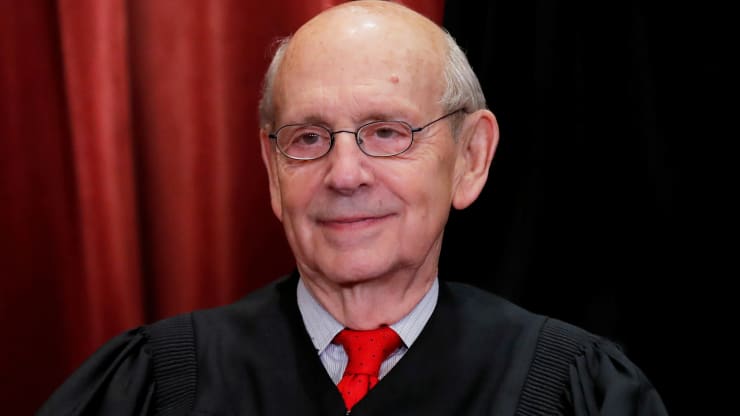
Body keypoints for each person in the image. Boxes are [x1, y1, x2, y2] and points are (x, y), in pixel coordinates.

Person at [37, 1, 669, 415]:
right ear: (272, 169)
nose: (344, 174)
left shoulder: (573, 391)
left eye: (388, 132)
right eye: (308, 138)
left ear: (471, 157)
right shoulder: (153, 388)